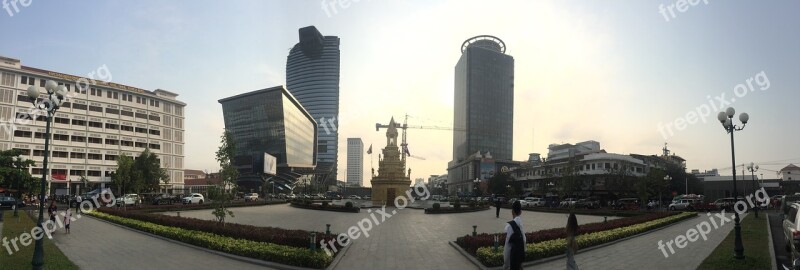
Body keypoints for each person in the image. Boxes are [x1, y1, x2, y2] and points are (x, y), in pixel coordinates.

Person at [504, 201, 525, 270]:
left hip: (512, 260)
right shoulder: (521, 224)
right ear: (520, 212)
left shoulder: (509, 226)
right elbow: (524, 241)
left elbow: (507, 246)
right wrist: (521, 262)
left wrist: (506, 265)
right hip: (519, 259)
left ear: (512, 211)